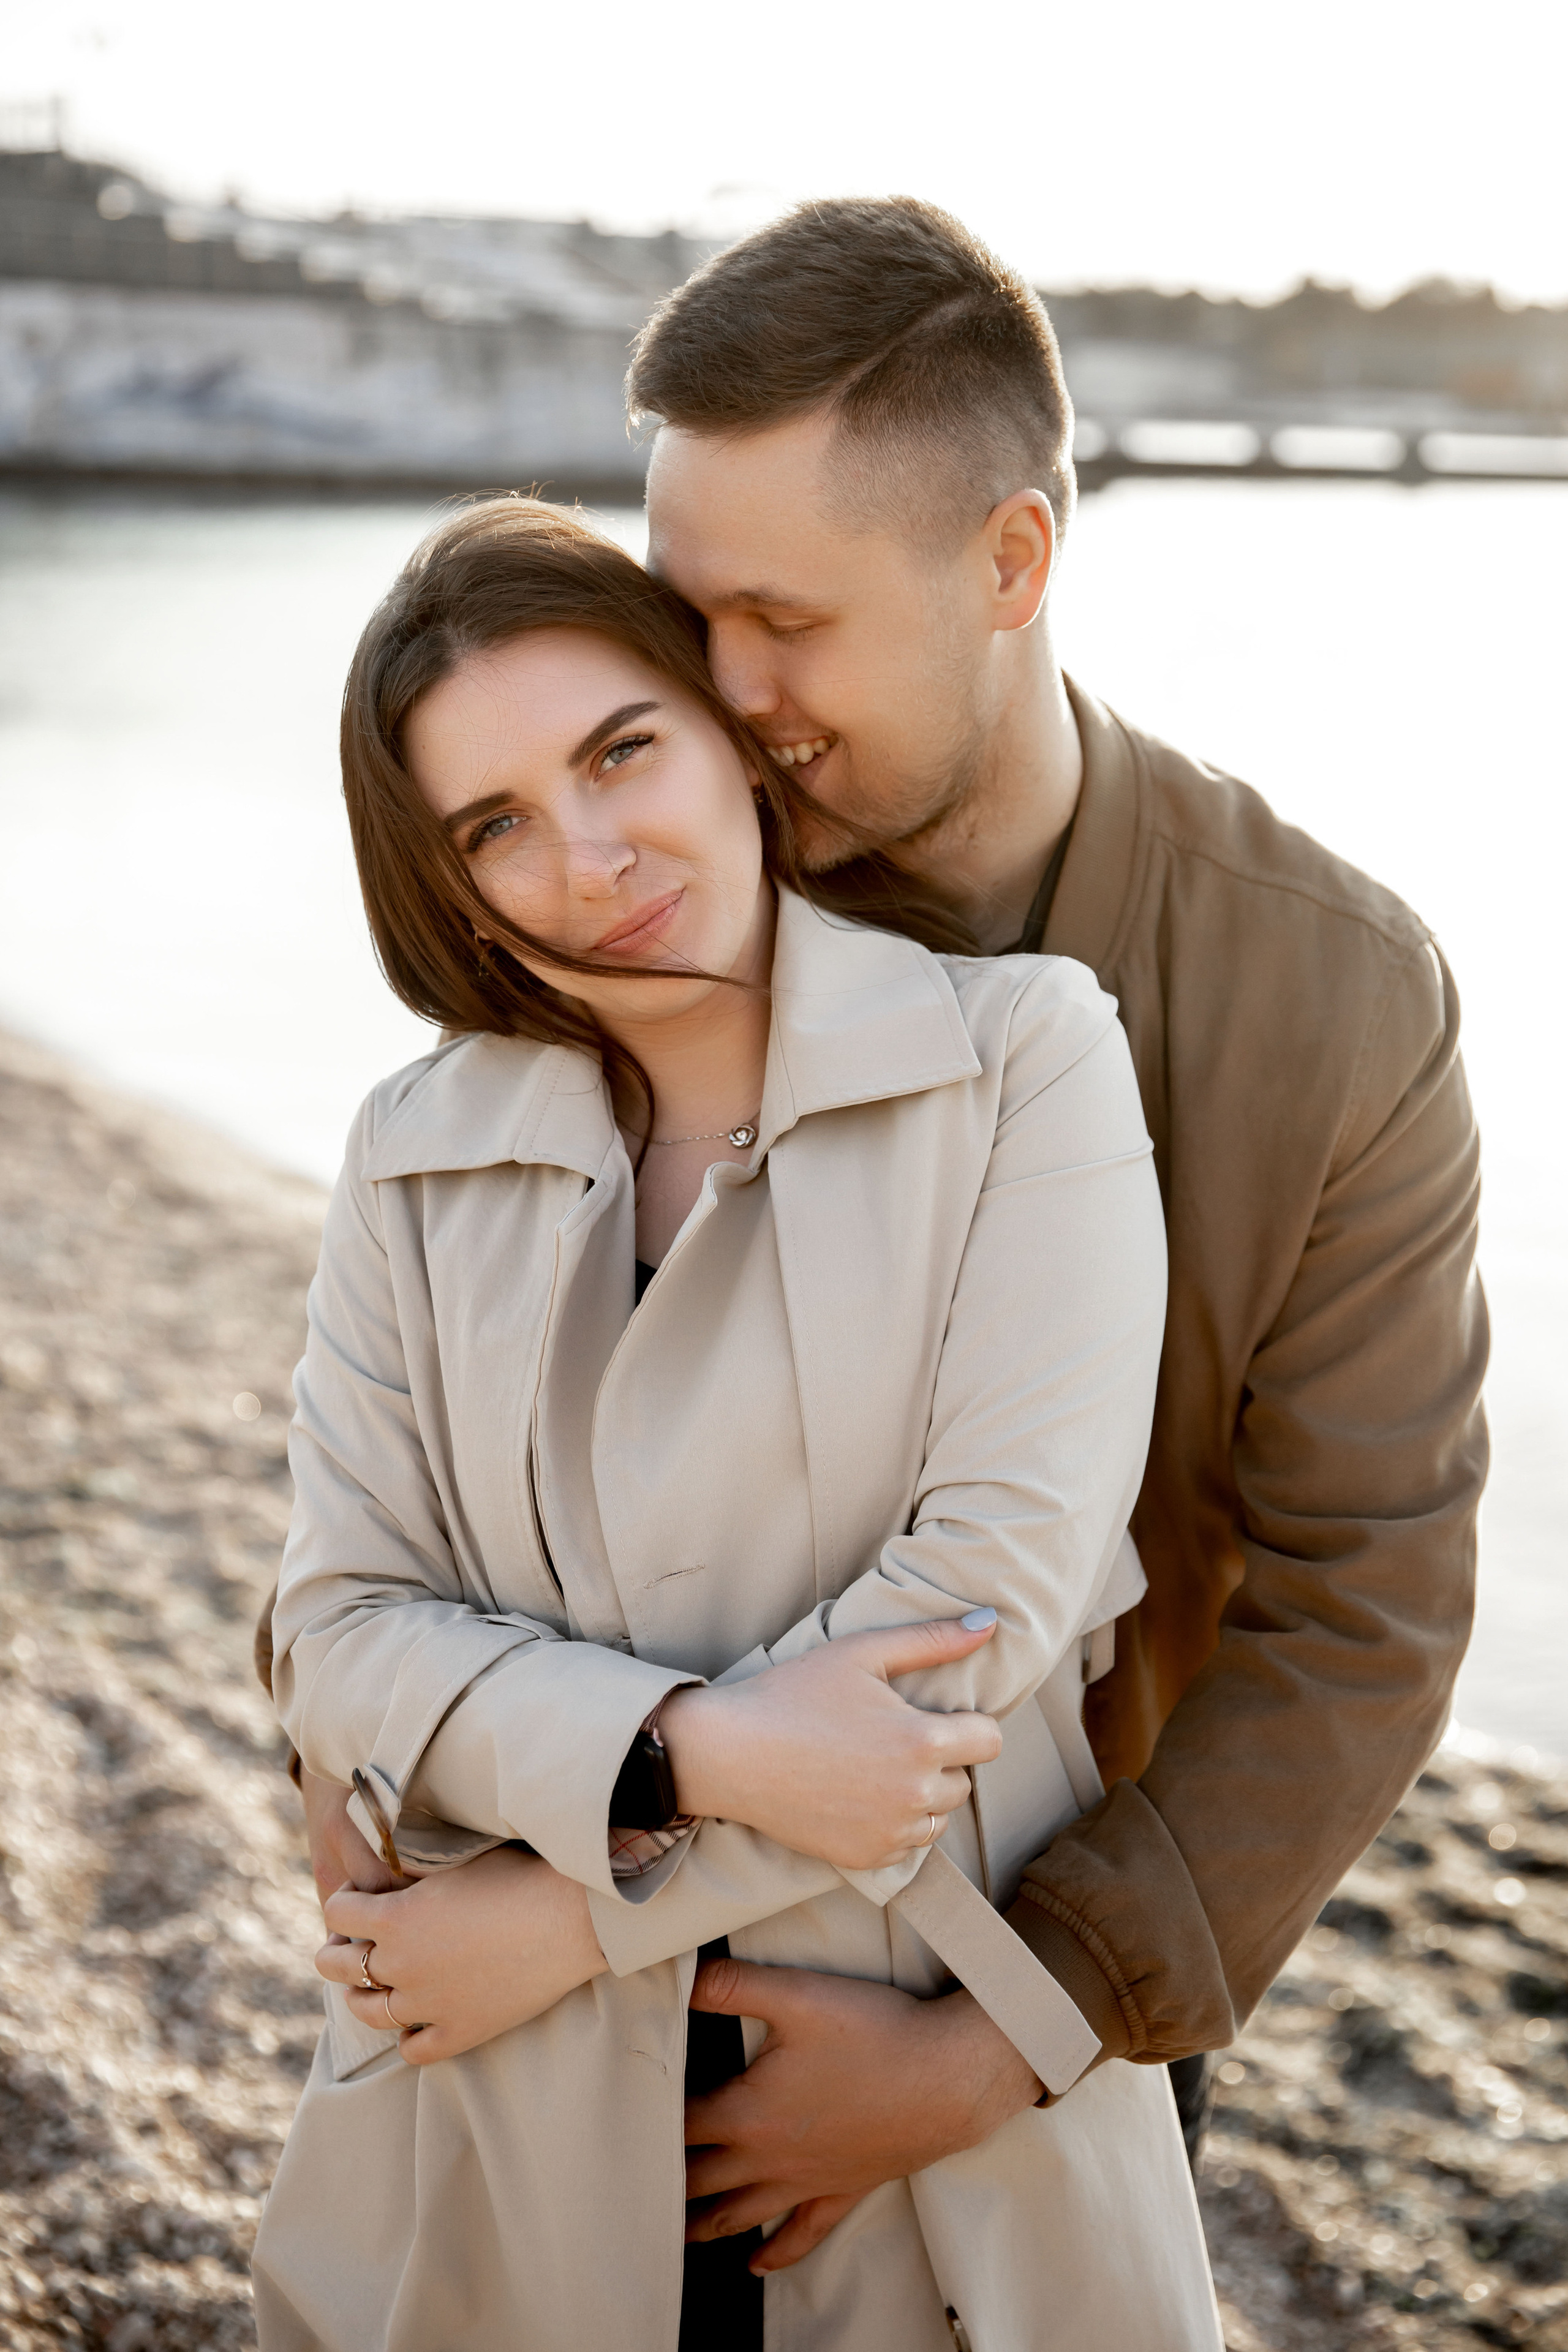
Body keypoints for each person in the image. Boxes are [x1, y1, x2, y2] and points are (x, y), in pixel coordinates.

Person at [257, 197, 1486, 2277]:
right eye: (686, 617)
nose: (719, 694)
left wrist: (1007, 2036)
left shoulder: (1324, 997)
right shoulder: (604, 971)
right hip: (541, 1959)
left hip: (1028, 1939)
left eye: (784, 622)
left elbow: (1361, 1604)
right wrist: (381, 1761)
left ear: (1010, 562)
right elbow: (381, 1525)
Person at [251, 497, 1222, 2351]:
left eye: (625, 751)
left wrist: (564, 1913)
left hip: (902, 2078)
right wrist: (690, 1750)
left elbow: (981, 1617)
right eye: (497, 825)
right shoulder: (410, 1148)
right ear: (446, 885)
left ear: (729, 738)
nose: (594, 854)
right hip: (493, 2110)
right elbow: (339, 1630)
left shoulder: (1024, 1056)